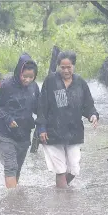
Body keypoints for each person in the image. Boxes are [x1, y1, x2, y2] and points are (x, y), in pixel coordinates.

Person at [36, 51, 99, 188]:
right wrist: (41, 128)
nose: (66, 70)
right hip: (52, 132)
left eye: (69, 67)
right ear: (58, 66)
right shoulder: (51, 81)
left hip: (74, 132)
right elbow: (42, 107)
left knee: (74, 169)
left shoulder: (80, 83)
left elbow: (88, 105)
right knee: (60, 170)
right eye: (62, 67)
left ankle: (60, 191)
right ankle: (62, 203)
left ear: (73, 66)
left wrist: (92, 115)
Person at [0, 53, 40, 188]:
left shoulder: (34, 88)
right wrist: (7, 119)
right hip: (4, 133)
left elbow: (38, 108)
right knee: (10, 166)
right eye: (24, 76)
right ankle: (12, 201)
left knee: (17, 169)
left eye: (31, 77)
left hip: (23, 133)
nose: (27, 80)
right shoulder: (5, 85)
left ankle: (14, 201)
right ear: (18, 72)